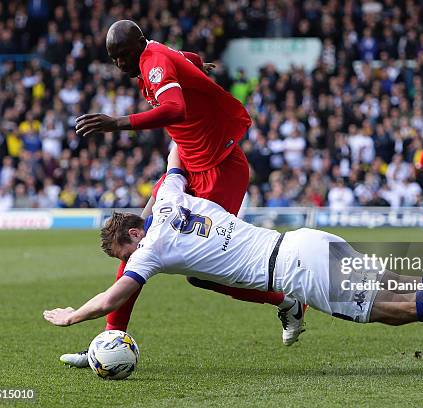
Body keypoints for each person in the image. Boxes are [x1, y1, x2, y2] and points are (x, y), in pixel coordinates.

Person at [44, 150, 423, 371]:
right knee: (395, 281)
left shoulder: (152, 248)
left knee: (394, 309)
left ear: (135, 234)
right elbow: (176, 157)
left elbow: (116, 294)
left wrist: (73, 315)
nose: (127, 260)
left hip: (295, 273)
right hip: (305, 240)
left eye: (123, 251)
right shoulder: (175, 198)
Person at [61, 20, 300, 368]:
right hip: (189, 160)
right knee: (137, 239)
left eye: (122, 57)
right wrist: (196, 67)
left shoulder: (153, 63)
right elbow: (185, 56)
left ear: (137, 46)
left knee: (204, 275)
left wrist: (118, 123)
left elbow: (175, 109)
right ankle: (108, 339)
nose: (119, 66)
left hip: (219, 168)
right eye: (113, 59)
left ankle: (286, 301)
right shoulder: (155, 54)